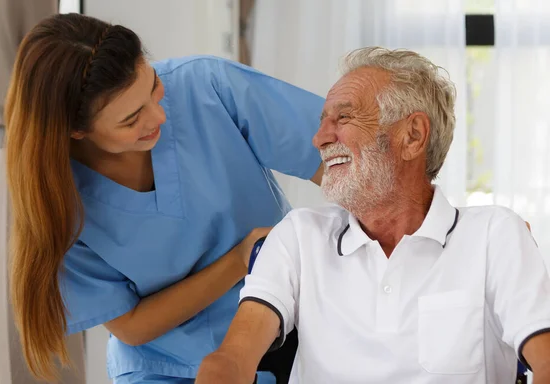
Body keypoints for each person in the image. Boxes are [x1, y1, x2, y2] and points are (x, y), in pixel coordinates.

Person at [196, 47, 550, 384]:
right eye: (323, 122)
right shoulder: (299, 235)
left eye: (343, 117)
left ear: (412, 136)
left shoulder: (494, 234)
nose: (319, 138)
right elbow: (233, 358)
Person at [5, 13, 324, 384]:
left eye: (153, 86)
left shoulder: (206, 87)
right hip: (169, 367)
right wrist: (241, 258)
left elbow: (334, 157)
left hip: (291, 323)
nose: (159, 115)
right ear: (76, 130)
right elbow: (131, 326)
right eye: (131, 119)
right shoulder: (58, 204)